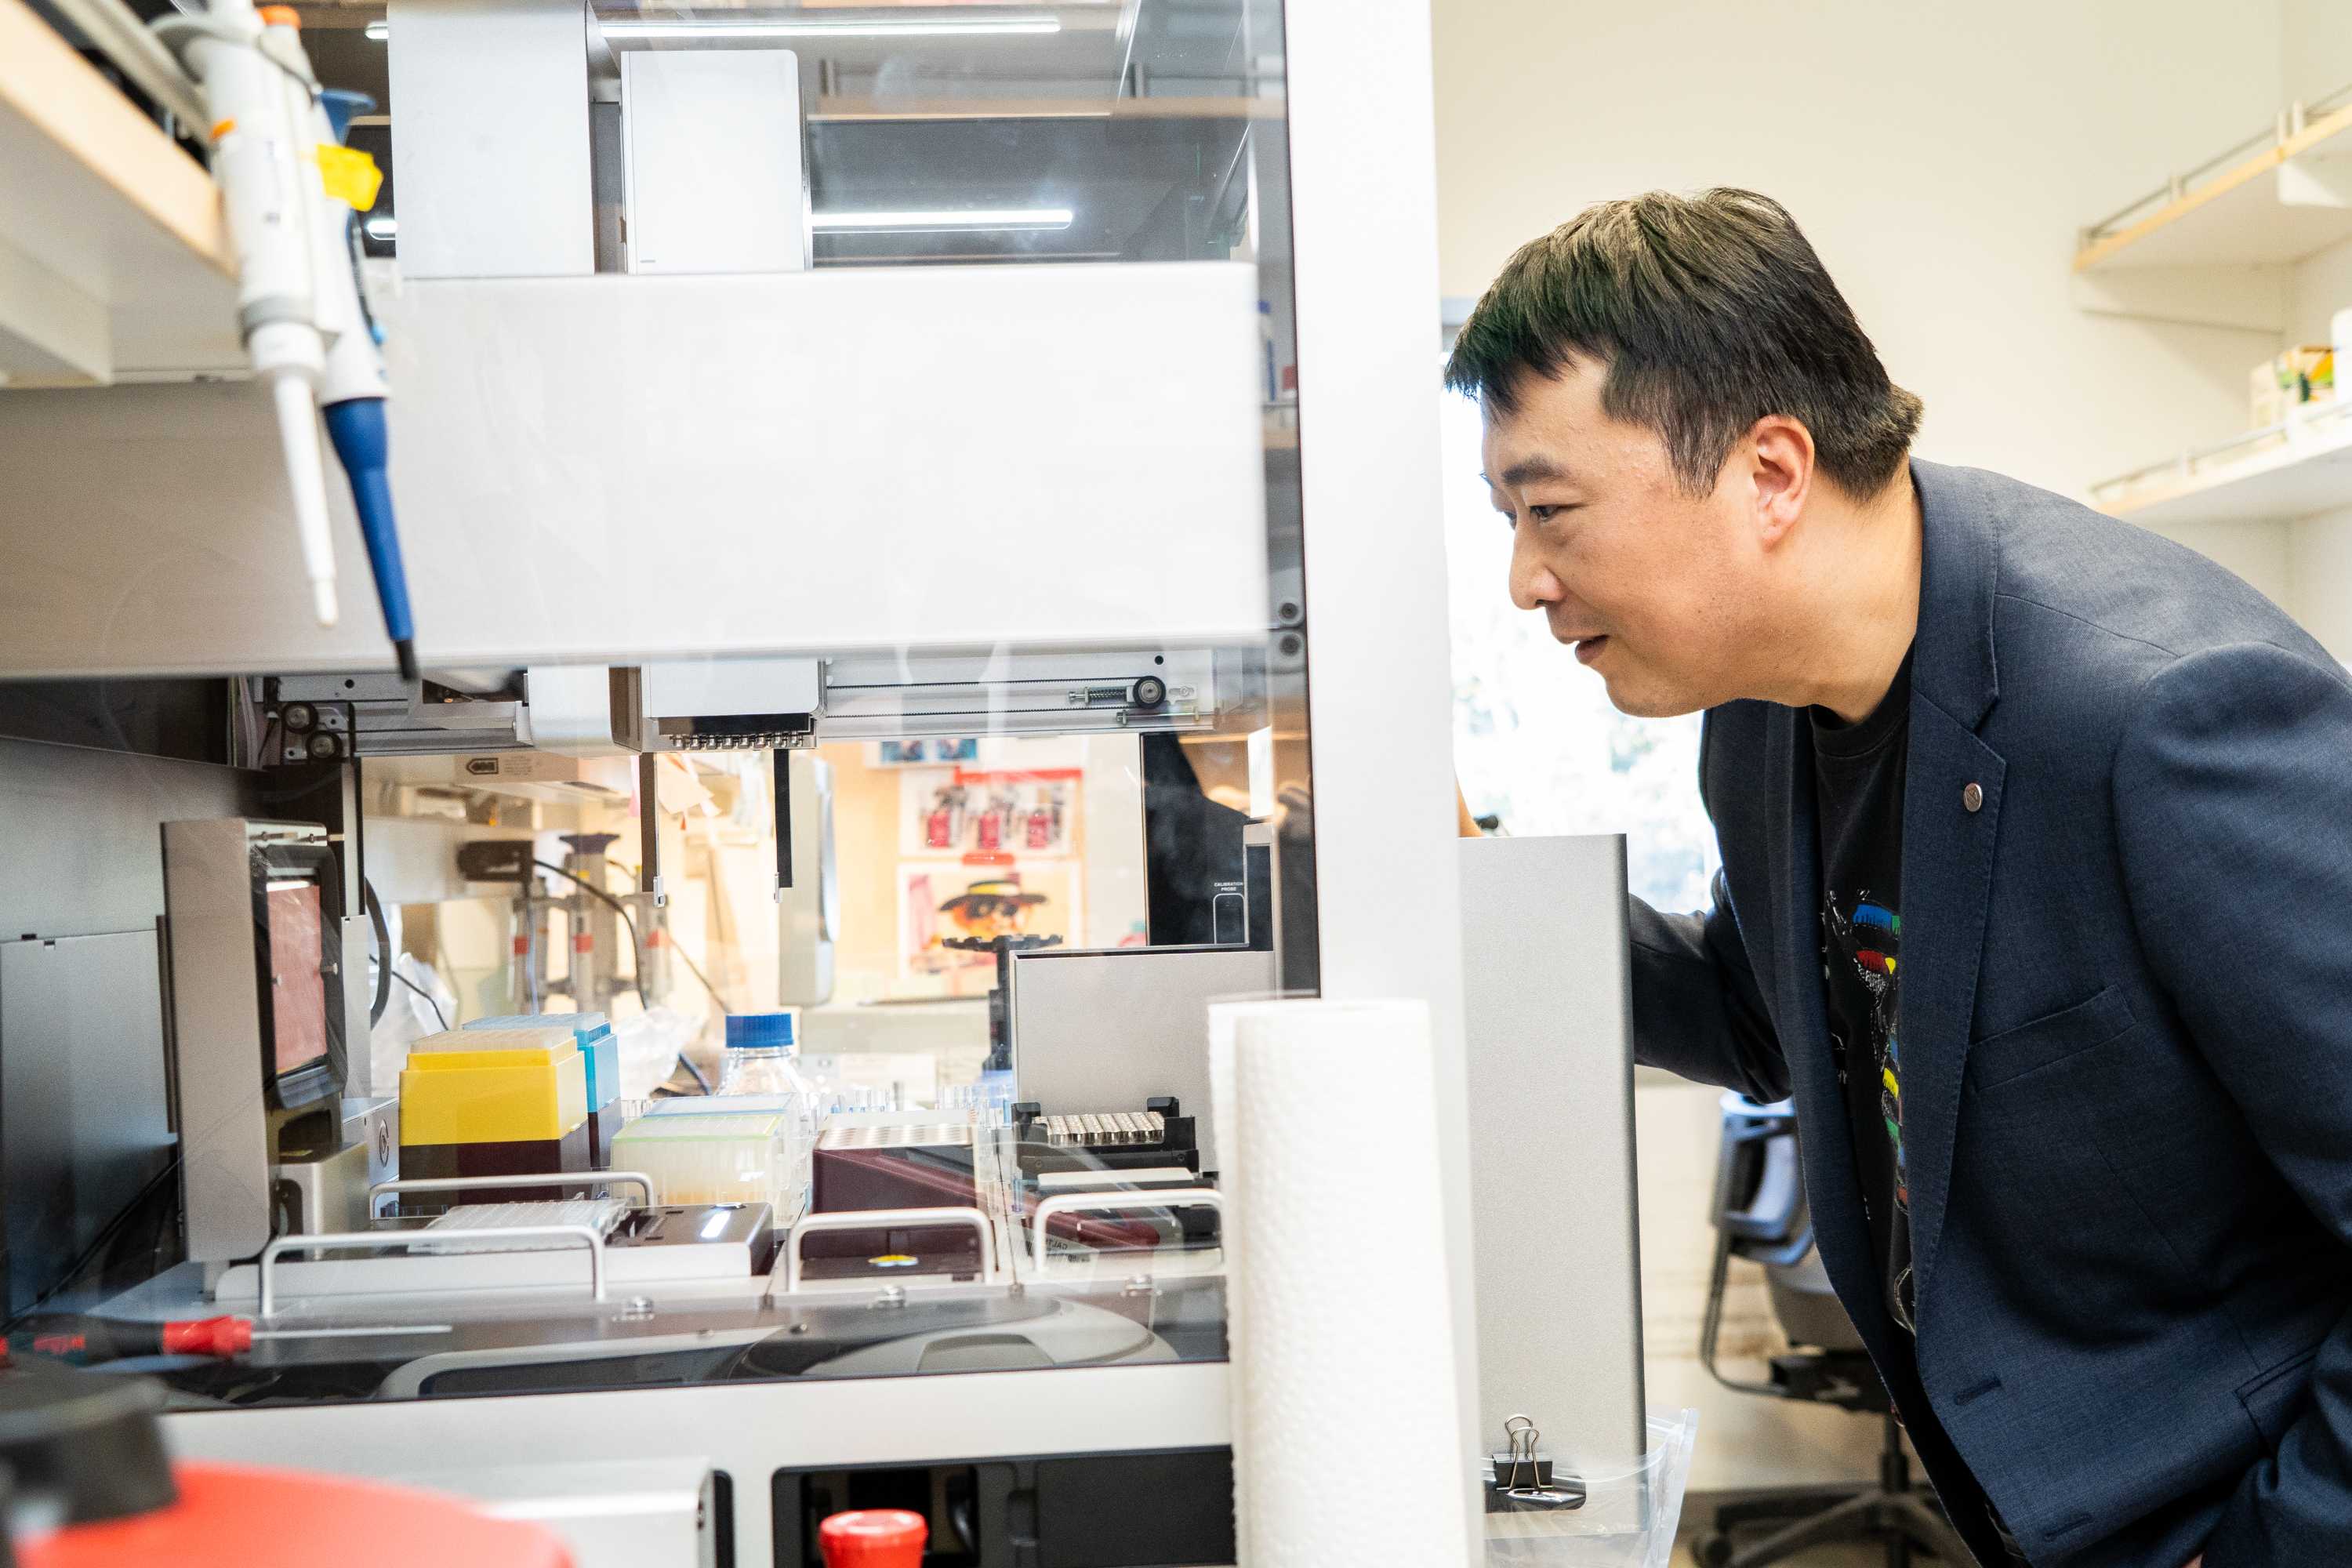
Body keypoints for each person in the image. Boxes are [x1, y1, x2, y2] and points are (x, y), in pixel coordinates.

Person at [1444, 188, 2352, 1568]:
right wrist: (1464, 891)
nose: (1524, 579)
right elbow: (1770, 1015)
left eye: (1549, 511)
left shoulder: (2163, 710)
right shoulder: (1759, 713)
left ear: (1770, 474)